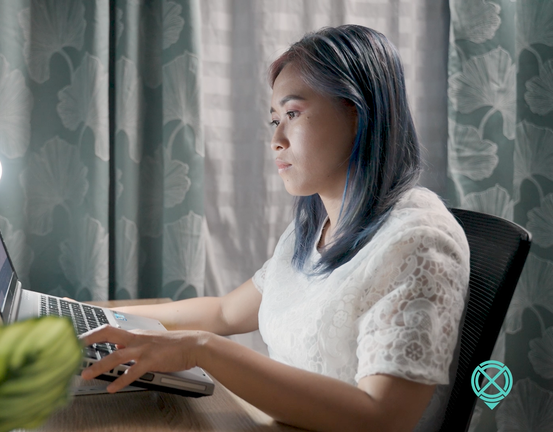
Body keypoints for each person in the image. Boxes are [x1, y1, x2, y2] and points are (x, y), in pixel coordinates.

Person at [81, 24, 469, 432]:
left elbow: (381, 417)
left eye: (293, 114)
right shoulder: (317, 224)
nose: (277, 139)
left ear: (357, 113)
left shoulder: (418, 241)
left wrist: (203, 350)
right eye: (274, 120)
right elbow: (225, 311)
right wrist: (93, 316)